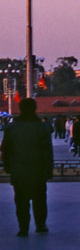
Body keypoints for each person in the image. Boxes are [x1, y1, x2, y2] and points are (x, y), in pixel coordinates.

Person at [1, 98, 54, 236]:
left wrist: (7, 166)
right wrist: (48, 169)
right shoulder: (42, 127)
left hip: (19, 170)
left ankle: (23, 228)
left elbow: (6, 150)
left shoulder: (11, 128)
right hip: (38, 170)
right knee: (40, 199)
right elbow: (47, 151)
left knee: (21, 200)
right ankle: (40, 225)